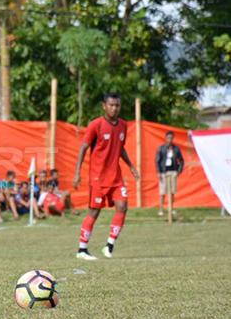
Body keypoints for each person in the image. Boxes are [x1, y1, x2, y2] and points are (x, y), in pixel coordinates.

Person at [73, 93, 139, 260]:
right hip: (98, 178)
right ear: (104, 106)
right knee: (94, 212)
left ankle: (109, 245)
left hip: (116, 177)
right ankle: (82, 249)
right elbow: (83, 148)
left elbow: (120, 147)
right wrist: (77, 173)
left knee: (122, 206)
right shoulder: (96, 125)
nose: (114, 108)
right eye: (111, 105)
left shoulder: (123, 125)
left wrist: (131, 166)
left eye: (117, 105)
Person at [155, 131, 184, 216]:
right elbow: (157, 161)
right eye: (168, 138)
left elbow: (181, 161)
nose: (170, 140)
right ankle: (161, 209)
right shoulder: (161, 148)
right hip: (164, 172)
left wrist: (178, 171)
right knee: (162, 192)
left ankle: (171, 209)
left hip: (173, 171)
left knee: (172, 191)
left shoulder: (176, 149)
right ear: (165, 138)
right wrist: (158, 172)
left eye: (171, 138)